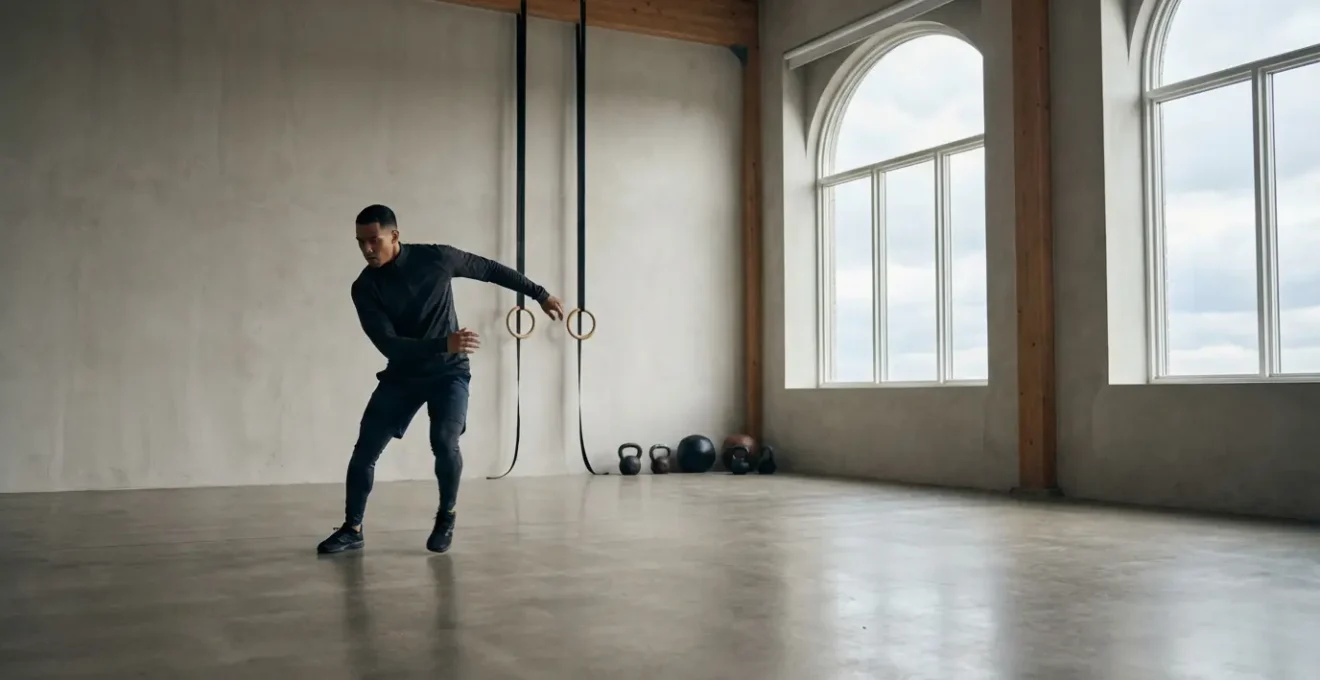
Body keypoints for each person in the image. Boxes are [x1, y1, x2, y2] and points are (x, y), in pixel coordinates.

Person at [317, 204, 564, 555]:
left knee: (445, 440)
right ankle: (352, 528)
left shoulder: (437, 258)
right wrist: (443, 343)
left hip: (449, 372)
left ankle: (446, 516)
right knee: (365, 452)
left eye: (374, 240)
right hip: (403, 374)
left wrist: (540, 294)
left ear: (395, 235)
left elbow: (490, 269)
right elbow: (388, 344)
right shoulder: (365, 287)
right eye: (360, 243)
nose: (367, 249)